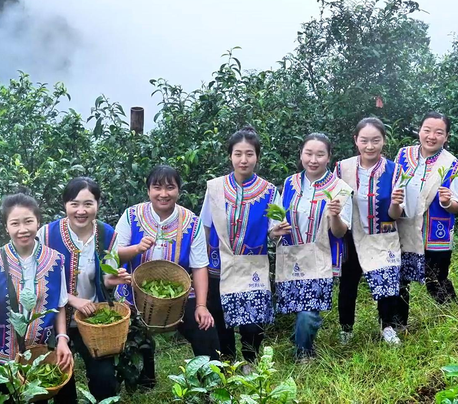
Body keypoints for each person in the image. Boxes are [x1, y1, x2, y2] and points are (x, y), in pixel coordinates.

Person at [114, 165, 218, 389]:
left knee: (205, 328)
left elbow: (199, 266)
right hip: (133, 291)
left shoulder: (191, 222)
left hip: (179, 293)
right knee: (131, 334)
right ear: (148, 190)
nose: (163, 194)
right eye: (157, 187)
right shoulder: (132, 215)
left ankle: (210, 381)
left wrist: (201, 305)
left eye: (170, 188)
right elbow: (114, 252)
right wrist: (136, 249)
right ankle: (143, 378)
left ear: (179, 191)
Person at [36, 177, 131, 402]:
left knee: (104, 377)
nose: (81, 210)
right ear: (65, 205)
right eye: (74, 203)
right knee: (62, 381)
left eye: (88, 204)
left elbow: (105, 278)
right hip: (54, 320)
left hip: (93, 319)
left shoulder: (107, 235)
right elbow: (39, 281)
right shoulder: (47, 235)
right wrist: (71, 299)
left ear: (97, 204)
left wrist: (113, 280)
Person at [0, 191, 73, 386]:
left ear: (38, 222)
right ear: (6, 227)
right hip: (0, 357)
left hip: (38, 356)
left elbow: (59, 305)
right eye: (15, 223)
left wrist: (62, 339)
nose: (22, 229)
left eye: (28, 221)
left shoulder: (55, 260)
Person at [201, 126, 280, 365]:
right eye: (238, 154)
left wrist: (278, 231)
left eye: (249, 154)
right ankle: (227, 363)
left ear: (257, 156)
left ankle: (250, 361)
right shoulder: (214, 188)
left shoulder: (269, 191)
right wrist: (202, 263)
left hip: (252, 264)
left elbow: (275, 229)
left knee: (252, 321)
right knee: (220, 315)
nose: (243, 160)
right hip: (218, 263)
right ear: (230, 156)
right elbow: (205, 226)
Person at [274, 133, 353, 362]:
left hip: (322, 257)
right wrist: (276, 229)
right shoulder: (290, 183)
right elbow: (277, 219)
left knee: (309, 310)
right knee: (299, 307)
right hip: (293, 255)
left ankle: (304, 354)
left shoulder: (340, 188)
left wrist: (335, 216)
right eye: (308, 153)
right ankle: (300, 341)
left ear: (329, 157)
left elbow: (340, 232)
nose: (313, 160)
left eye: (320, 154)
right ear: (301, 154)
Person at [334, 118, 404, 346]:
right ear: (356, 140)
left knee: (386, 280)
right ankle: (346, 329)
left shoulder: (394, 170)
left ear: (384, 141)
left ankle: (387, 327)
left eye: (376, 140)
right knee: (348, 283)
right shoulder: (342, 168)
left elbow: (396, 214)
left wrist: (394, 203)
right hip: (351, 235)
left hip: (383, 234)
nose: (370, 146)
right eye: (364, 140)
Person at [394, 112, 458, 326]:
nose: (431, 136)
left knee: (436, 279)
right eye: (427, 130)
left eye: (438, 132)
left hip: (435, 234)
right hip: (404, 229)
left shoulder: (453, 165)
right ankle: (397, 326)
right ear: (419, 130)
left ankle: (453, 320)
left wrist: (446, 202)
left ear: (447, 136)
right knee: (400, 278)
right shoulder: (403, 155)